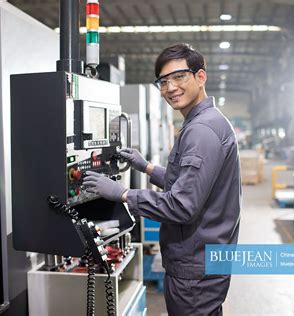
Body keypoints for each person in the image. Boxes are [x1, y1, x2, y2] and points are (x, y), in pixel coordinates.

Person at [83, 43, 241, 316]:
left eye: (179, 77)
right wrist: (147, 168)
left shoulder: (201, 130)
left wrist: (122, 194)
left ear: (200, 77)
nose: (170, 88)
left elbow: (182, 205)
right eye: (163, 81)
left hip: (194, 267)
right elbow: (194, 185)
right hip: (206, 260)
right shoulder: (207, 122)